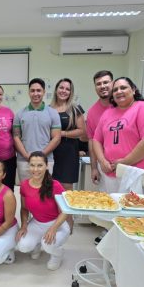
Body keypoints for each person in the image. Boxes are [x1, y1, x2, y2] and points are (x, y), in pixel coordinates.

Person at [92, 77, 144, 192]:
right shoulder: (108, 113)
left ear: (133, 90)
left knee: (136, 209)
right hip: (110, 174)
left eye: (123, 87)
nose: (119, 91)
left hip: (137, 174)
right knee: (110, 207)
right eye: (115, 90)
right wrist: (102, 161)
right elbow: (96, 140)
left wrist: (125, 162)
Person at [16, 151, 70, 271]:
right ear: (28, 166)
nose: (36, 169)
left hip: (57, 224)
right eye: (32, 165)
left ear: (46, 166)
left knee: (48, 246)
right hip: (37, 223)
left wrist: (53, 228)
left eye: (40, 165)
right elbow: (24, 208)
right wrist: (24, 225)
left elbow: (65, 211)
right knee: (23, 246)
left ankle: (58, 254)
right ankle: (38, 243)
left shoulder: (55, 185)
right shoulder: (24, 185)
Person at [50, 78, 85, 233]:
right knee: (51, 188)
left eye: (67, 89)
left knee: (66, 189)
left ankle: (69, 224)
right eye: (61, 87)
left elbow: (81, 131)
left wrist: (61, 133)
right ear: (56, 89)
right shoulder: (48, 109)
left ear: (71, 92)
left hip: (68, 152)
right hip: (51, 152)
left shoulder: (75, 109)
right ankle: (53, 222)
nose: (64, 91)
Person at [13, 78, 61, 182]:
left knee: (44, 192)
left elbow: (56, 138)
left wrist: (41, 155)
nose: (35, 93)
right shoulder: (20, 113)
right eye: (32, 90)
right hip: (24, 160)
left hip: (46, 160)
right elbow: (16, 137)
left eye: (38, 90)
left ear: (44, 92)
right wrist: (26, 155)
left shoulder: (52, 113)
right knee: (25, 192)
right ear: (29, 92)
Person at [86, 70, 114, 188]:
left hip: (128, 165)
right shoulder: (92, 112)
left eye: (106, 82)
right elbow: (92, 142)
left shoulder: (124, 106)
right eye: (98, 84)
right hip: (104, 166)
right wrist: (94, 168)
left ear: (112, 83)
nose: (102, 86)